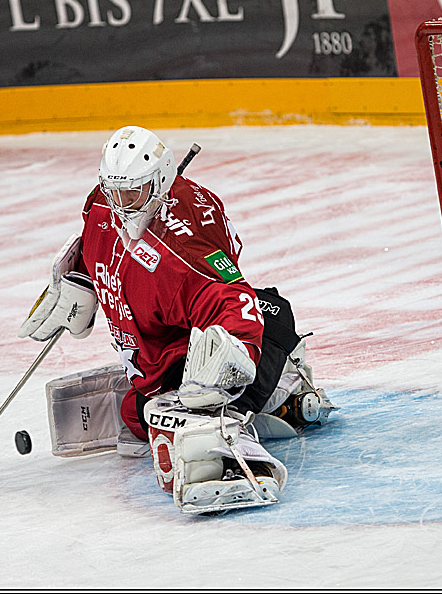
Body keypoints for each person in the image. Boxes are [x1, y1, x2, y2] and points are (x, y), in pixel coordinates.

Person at [17, 126, 335, 514]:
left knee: (253, 318)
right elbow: (238, 297)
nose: (122, 204)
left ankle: (168, 412)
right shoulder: (158, 247)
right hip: (176, 371)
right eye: (114, 191)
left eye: (133, 192)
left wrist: (229, 353)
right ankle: (230, 414)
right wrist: (82, 279)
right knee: (275, 315)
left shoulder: (114, 215)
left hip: (147, 376)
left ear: (161, 182)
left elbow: (224, 285)